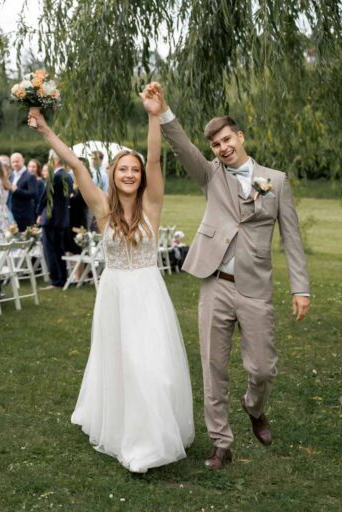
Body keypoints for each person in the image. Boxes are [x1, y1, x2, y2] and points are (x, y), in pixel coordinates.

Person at [141, 82, 311, 469]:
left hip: (255, 289)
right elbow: (182, 146)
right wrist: (162, 111)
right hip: (215, 283)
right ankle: (221, 442)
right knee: (213, 368)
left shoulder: (276, 181)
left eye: (226, 139)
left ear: (240, 136)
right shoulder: (210, 175)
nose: (222, 148)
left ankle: (254, 406)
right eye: (216, 144)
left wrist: (301, 288)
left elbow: (293, 239)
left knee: (262, 369)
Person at [28, 99, 194, 473]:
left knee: (154, 367)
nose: (131, 174)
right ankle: (133, 438)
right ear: (113, 174)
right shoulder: (102, 209)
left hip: (149, 295)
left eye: (135, 170)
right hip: (116, 296)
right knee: (124, 364)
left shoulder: (152, 205)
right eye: (124, 169)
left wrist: (155, 115)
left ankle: (153, 437)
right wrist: (45, 130)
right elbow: (75, 164)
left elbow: (154, 159)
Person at [36, 150, 73, 289]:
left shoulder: (55, 176)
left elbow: (45, 197)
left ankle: (56, 280)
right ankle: (62, 278)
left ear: (55, 161)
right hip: (62, 218)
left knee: (50, 250)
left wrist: (39, 212)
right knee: (59, 250)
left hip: (51, 218)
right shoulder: (67, 176)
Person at [6, 152, 38, 229]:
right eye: (13, 162)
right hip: (11, 213)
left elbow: (33, 194)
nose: (15, 164)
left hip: (24, 215)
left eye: (17, 161)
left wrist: (17, 190)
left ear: (23, 161)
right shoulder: (11, 175)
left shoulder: (30, 176)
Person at [28, 158, 47, 223]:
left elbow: (41, 199)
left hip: (35, 211)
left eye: (33, 167)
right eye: (30, 166)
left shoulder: (40, 182)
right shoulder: (26, 180)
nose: (31, 169)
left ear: (37, 168)